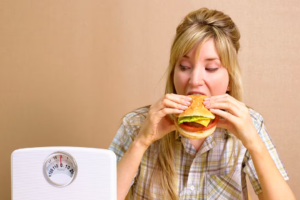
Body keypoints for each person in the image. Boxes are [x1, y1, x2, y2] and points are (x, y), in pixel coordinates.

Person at [109, 8, 295, 200]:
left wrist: (254, 144)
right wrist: (141, 142)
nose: (195, 80)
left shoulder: (250, 124)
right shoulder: (136, 125)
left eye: (211, 68)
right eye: (184, 67)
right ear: (173, 74)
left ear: (230, 79)